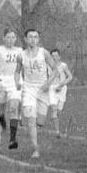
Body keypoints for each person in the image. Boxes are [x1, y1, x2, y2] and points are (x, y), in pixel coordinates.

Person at [18, 29, 59, 160]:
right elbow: (17, 71)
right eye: (30, 37)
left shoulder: (44, 53)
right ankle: (35, 148)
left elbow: (55, 70)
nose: (33, 40)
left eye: (35, 37)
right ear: (25, 39)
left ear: (38, 39)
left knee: (40, 121)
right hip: (28, 88)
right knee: (31, 118)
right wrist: (17, 82)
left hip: (42, 89)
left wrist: (48, 83)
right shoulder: (21, 55)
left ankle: (35, 129)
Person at [0, 29, 24, 149]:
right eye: (8, 37)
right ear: (3, 38)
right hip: (2, 81)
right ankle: (2, 119)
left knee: (14, 107)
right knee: (2, 109)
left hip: (15, 81)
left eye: (13, 37)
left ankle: (12, 139)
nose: (10, 40)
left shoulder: (19, 51)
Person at [46, 48, 74, 137]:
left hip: (62, 89)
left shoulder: (63, 66)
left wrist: (61, 85)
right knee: (53, 109)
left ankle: (55, 119)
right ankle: (57, 132)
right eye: (52, 56)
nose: (54, 57)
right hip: (52, 89)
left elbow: (70, 77)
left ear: (59, 56)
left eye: (56, 56)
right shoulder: (47, 65)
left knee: (58, 112)